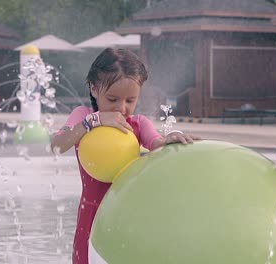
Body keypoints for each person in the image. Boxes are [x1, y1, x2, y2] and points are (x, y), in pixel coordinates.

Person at [50, 48, 199, 264]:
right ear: (93, 88)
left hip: (129, 217)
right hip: (92, 218)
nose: (121, 108)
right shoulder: (83, 117)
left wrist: (171, 139)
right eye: (112, 99)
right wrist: (94, 121)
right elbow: (56, 146)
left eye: (130, 100)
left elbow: (157, 144)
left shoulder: (138, 125)